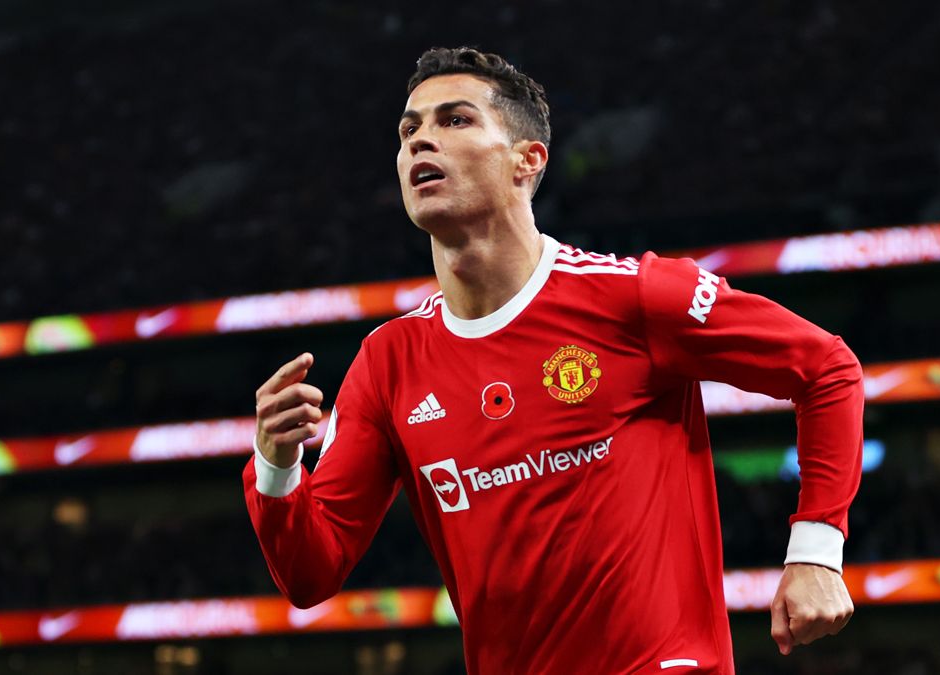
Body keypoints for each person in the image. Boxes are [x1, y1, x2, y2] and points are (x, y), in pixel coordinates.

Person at [244, 47, 863, 674]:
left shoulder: (637, 297)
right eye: (409, 130)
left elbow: (827, 369)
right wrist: (276, 461)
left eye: (454, 120)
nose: (421, 141)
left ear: (526, 160)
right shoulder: (388, 362)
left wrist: (815, 550)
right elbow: (310, 573)